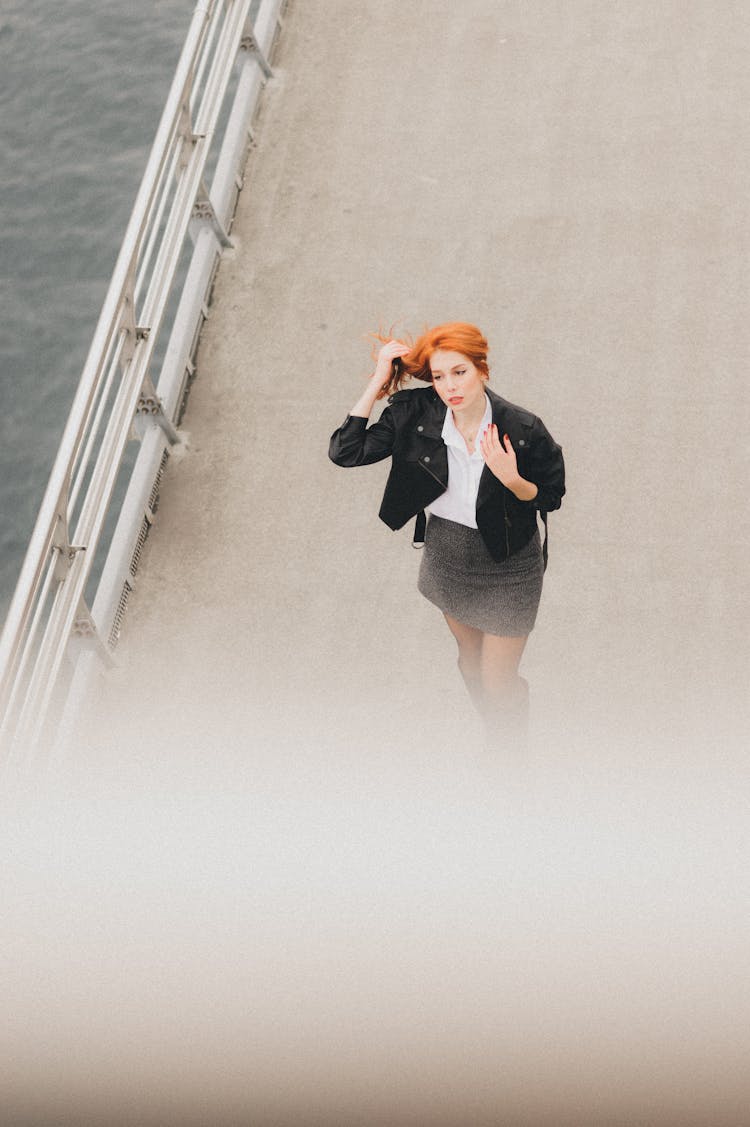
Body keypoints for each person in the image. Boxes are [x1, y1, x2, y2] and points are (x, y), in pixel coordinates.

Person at [328, 322, 565, 748]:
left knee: (498, 680)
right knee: (471, 666)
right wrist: (380, 380)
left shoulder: (524, 429)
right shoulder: (414, 414)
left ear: (482, 370)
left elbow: (551, 494)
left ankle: (511, 748)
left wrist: (513, 480)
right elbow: (346, 452)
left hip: (510, 564)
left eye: (460, 372)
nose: (450, 386)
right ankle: (499, 730)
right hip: (448, 556)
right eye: (439, 377)